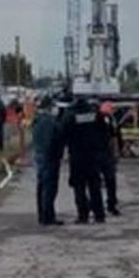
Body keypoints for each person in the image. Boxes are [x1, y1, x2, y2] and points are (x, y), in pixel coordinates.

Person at [59, 96, 108, 224]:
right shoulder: (95, 114)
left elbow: (62, 134)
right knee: (95, 186)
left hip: (77, 156)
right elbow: (104, 132)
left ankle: (83, 215)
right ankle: (99, 214)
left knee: (79, 187)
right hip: (93, 155)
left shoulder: (69, 115)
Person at [31, 96, 63, 226]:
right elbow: (53, 139)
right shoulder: (49, 121)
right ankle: (48, 216)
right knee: (49, 187)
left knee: (42, 185)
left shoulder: (37, 120)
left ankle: (42, 215)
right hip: (49, 156)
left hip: (39, 154)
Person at [98, 101, 123, 216]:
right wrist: (117, 153)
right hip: (107, 154)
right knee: (110, 180)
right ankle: (111, 204)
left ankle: (97, 205)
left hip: (97, 153)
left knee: (97, 181)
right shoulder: (110, 120)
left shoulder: (96, 118)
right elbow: (115, 138)